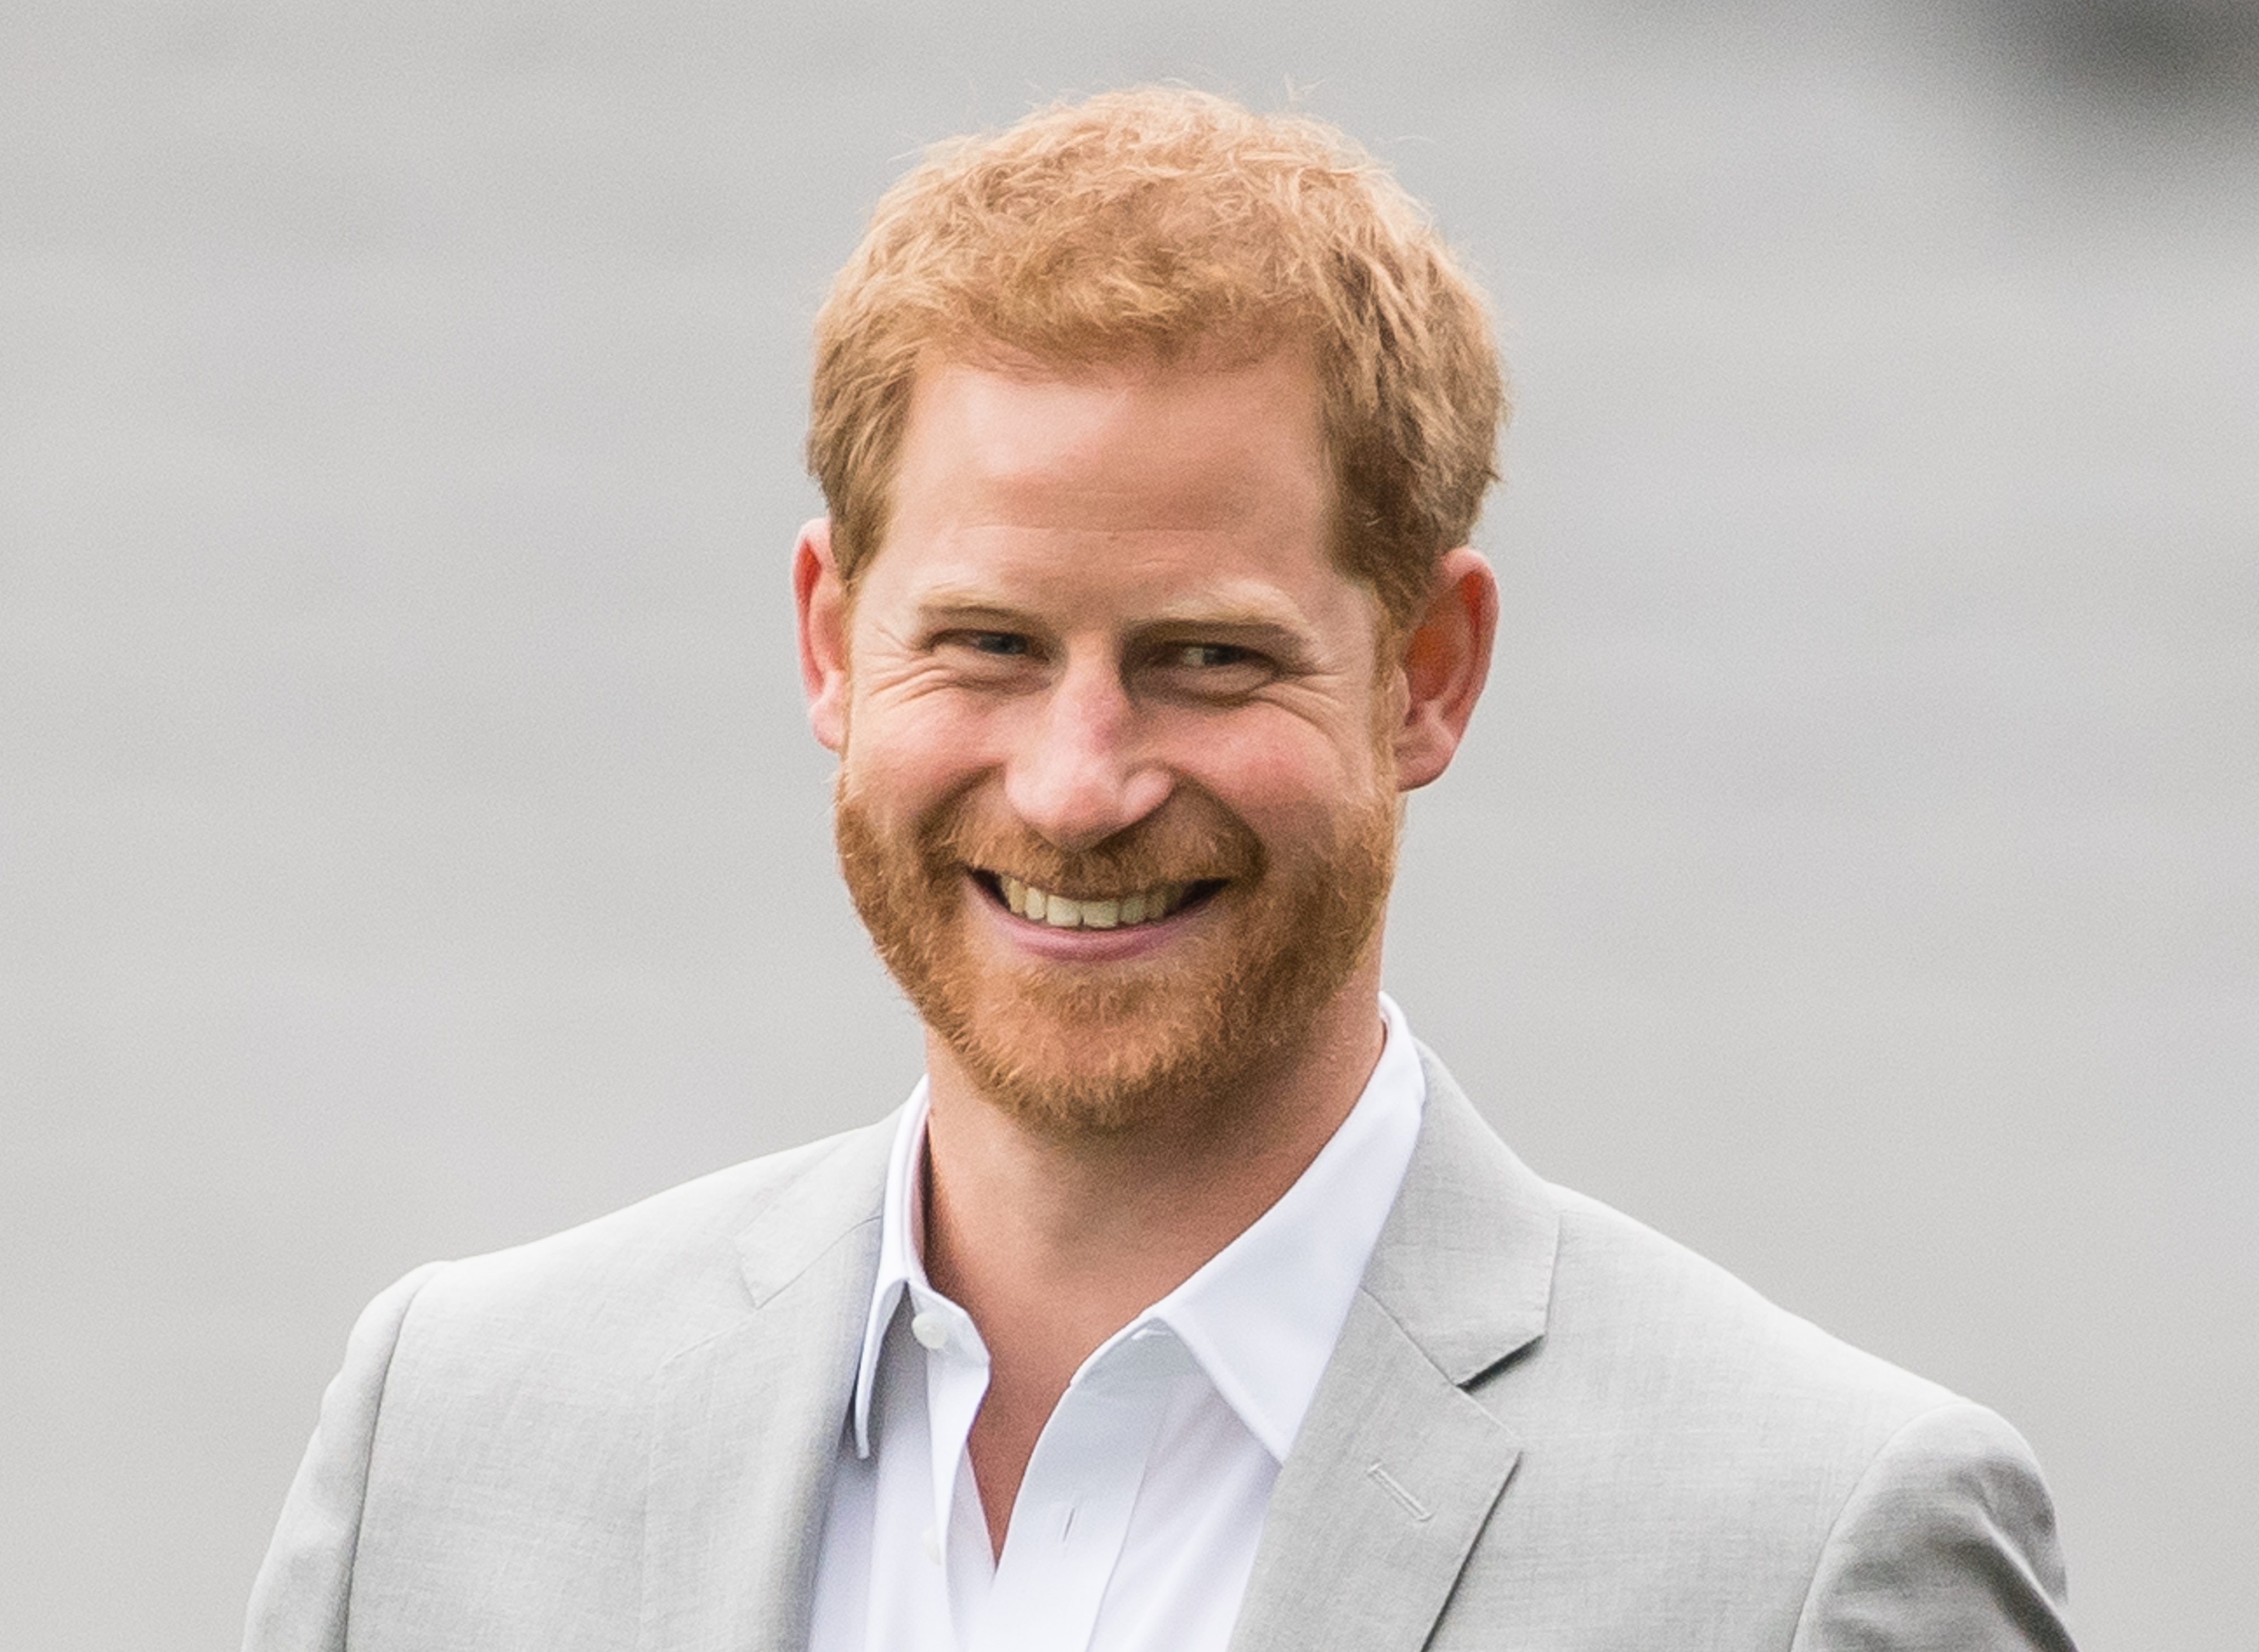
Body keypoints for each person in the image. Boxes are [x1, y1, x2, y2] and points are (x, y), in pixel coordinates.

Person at [244, 88, 2077, 1651]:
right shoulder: (452, 1445)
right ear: (828, 640)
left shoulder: (1810, 1548)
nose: (1076, 786)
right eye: (986, 644)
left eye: (1207, 658)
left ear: (1426, 673)